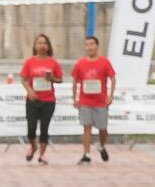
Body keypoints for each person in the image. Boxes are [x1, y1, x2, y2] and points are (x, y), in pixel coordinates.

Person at [71, 34, 116, 164]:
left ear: (97, 46)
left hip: (101, 101)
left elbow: (112, 78)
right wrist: (75, 98)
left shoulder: (104, 62)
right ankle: (86, 154)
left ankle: (101, 146)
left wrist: (110, 95)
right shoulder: (80, 63)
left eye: (91, 44)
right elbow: (74, 81)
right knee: (86, 127)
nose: (89, 47)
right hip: (85, 101)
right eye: (86, 45)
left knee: (103, 128)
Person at [19, 33, 62, 164]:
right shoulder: (29, 62)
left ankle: (42, 155)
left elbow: (60, 79)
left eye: (44, 43)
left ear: (48, 46)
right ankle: (33, 145)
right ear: (35, 46)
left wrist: (52, 79)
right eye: (39, 43)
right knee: (31, 128)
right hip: (33, 100)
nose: (42, 45)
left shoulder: (53, 62)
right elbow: (23, 79)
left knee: (44, 128)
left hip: (48, 100)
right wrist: (30, 91)